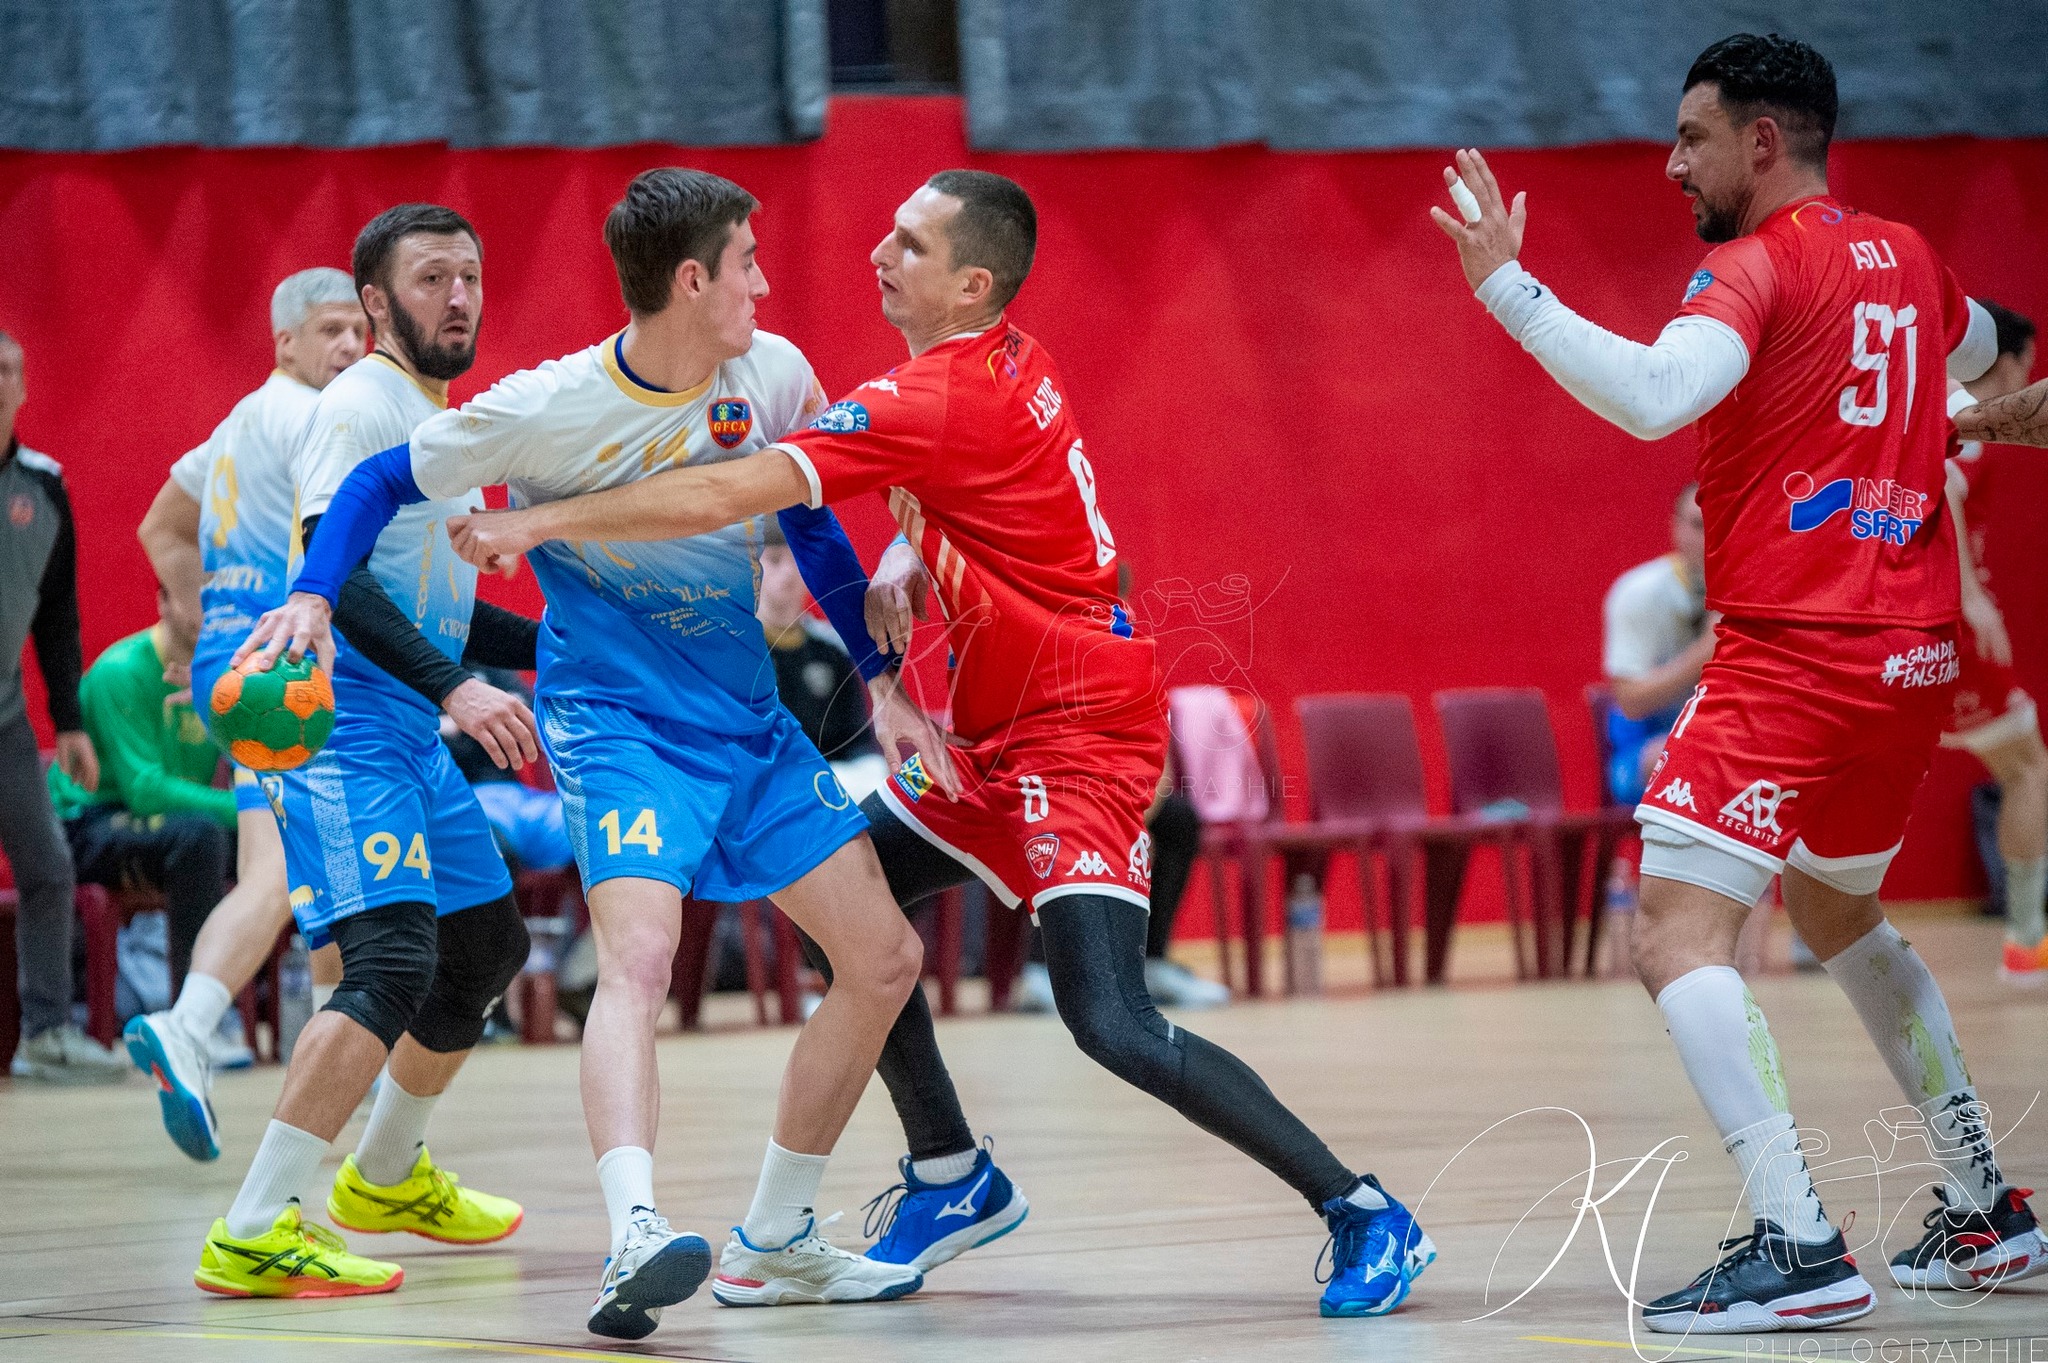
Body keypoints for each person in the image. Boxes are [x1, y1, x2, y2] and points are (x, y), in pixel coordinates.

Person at [434, 169, 1437, 1320]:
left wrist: (539, 518)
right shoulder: (1000, 363)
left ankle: (1362, 1210)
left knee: (1110, 1020)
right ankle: (948, 1172)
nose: (877, 253)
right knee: (856, 930)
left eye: (906, 244)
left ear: (969, 282)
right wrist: (916, 552)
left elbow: (723, 496)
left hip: (1078, 738)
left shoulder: (930, 398)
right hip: (994, 731)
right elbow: (994, 503)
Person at [245, 169, 938, 1338]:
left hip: (748, 722)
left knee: (882, 960)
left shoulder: (770, 376)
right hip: (616, 727)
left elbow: (814, 525)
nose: (766, 282)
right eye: (747, 263)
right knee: (640, 959)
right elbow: (370, 484)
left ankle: (775, 1238)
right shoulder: (543, 405)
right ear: (690, 281)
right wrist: (315, 594)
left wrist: (879, 681)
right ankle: (632, 1231)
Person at [1433, 32, 2044, 1334]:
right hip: (1912, 658)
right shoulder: (1912, 258)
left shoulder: (1755, 266)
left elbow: (1658, 396)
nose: (1671, 161)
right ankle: (1989, 1210)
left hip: (1800, 652)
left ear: (1762, 142)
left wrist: (1507, 289)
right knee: (1840, 914)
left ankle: (1799, 1237)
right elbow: (2009, 342)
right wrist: (1984, 412)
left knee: (1671, 934)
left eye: (1691, 136)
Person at [196, 206, 546, 1299]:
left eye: (472, 275)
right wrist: (458, 685)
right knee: (392, 962)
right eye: (433, 278)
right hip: (341, 728)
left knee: (484, 946)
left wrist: (562, 654)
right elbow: (332, 580)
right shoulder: (357, 407)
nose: (459, 296)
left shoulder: (445, 425)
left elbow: (438, 610)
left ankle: (385, 1174)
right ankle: (255, 1224)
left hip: (408, 726)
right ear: (378, 306)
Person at [125, 266, 367, 1158]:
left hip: (239, 669)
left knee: (325, 887)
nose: (351, 347)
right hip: (287, 675)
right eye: (333, 331)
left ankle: (342, 1087)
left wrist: (200, 629)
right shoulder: (313, 420)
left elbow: (161, 530)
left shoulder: (234, 424)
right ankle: (190, 1026)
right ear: (287, 343)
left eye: (358, 332)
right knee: (282, 879)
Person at [0, 329, 121, 1083]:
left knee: (48, 865)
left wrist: (70, 719)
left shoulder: (42, 486)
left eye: (10, 368)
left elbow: (57, 614)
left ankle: (44, 1034)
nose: (1, 380)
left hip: (6, 715)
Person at [46, 582, 242, 1046]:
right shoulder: (124, 670)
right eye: (194, 597)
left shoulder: (219, 675)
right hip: (85, 823)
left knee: (269, 844)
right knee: (203, 838)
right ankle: (194, 1024)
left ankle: (290, 1001)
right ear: (163, 602)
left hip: (172, 822)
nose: (206, 611)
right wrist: (246, 809)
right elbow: (145, 792)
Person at [1937, 302, 2046, 984]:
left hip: (1936, 622)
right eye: (2026, 370)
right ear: (1999, 363)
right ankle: (2026, 940)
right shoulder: (1963, 419)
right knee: (2029, 767)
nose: (2028, 383)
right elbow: (1941, 487)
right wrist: (1972, 595)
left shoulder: (1934, 405)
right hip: (1950, 625)